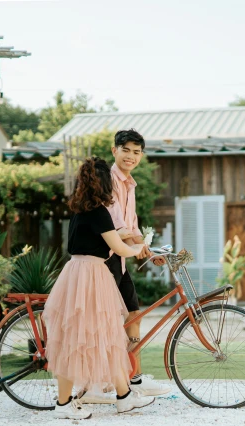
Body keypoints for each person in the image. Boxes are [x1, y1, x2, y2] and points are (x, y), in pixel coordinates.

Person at [43, 156, 155, 420]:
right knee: (79, 341)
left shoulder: (81, 211)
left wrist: (134, 245)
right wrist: (140, 249)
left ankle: (124, 396)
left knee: (106, 337)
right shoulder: (99, 212)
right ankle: (62, 405)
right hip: (91, 275)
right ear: (104, 183)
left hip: (79, 273)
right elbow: (118, 247)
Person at [80, 129, 171, 404]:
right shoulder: (108, 181)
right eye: (126, 150)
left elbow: (130, 225)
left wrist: (145, 248)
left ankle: (135, 378)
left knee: (133, 314)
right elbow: (115, 224)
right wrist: (137, 245)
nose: (131, 156)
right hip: (105, 258)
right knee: (102, 323)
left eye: (137, 152)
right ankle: (94, 385)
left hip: (120, 258)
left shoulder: (129, 183)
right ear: (114, 151)